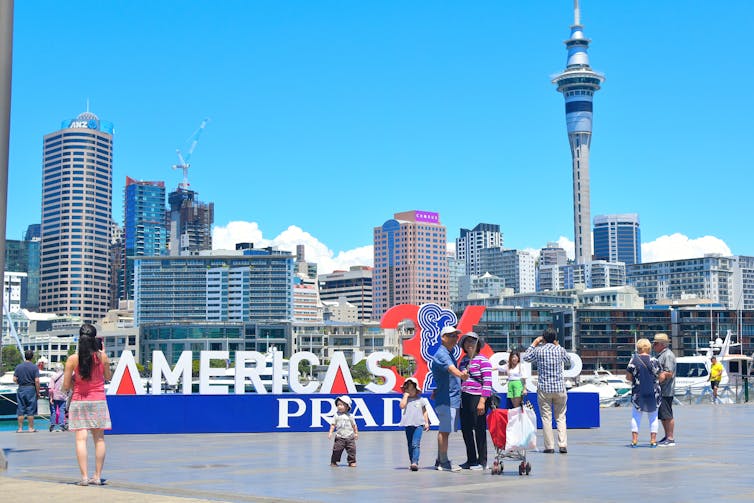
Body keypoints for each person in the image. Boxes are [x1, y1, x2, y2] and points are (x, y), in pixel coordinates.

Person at [63, 324, 112, 486]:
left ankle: (84, 477)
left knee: (80, 439)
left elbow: (65, 385)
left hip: (79, 401)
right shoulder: (102, 357)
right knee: (99, 439)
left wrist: (73, 385)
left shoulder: (72, 359)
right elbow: (108, 377)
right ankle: (97, 476)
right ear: (94, 339)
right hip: (98, 400)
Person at [523, 327, 570, 454]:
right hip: (559, 387)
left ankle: (549, 446)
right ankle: (563, 444)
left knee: (546, 418)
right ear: (555, 339)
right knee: (561, 417)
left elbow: (526, 357)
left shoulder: (539, 350)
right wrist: (558, 344)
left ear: (543, 338)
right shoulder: (560, 350)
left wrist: (534, 343)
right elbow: (568, 361)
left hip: (544, 388)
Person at [430, 325, 469, 472]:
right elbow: (451, 369)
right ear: (443, 338)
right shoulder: (442, 354)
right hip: (446, 399)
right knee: (444, 431)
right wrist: (462, 375)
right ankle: (443, 462)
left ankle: (440, 459)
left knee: (446, 430)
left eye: (456, 336)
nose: (455, 338)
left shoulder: (449, 353)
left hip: (450, 397)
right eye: (451, 336)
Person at [458, 331, 492, 470]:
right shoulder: (463, 361)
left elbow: (488, 382)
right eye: (467, 342)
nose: (469, 344)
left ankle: (482, 461)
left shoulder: (483, 360)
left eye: (472, 342)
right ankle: (471, 459)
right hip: (465, 397)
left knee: (479, 429)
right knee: (466, 429)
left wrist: (482, 401)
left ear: (477, 344)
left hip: (477, 397)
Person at [625, 339, 661, 447]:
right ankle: (653, 440)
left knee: (636, 416)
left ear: (638, 348)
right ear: (649, 348)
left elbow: (628, 377)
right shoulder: (654, 360)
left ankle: (635, 440)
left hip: (638, 391)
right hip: (653, 391)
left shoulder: (634, 361)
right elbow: (659, 375)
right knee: (653, 416)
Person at [399, 377, 430, 471]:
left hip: (418, 424)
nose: (410, 391)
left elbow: (424, 411)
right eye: (408, 389)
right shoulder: (406, 399)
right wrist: (405, 396)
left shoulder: (421, 400)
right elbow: (401, 406)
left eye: (412, 388)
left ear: (416, 389)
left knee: (415, 444)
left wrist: (426, 422)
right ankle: (411, 461)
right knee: (409, 444)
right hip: (408, 424)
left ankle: (415, 462)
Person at [653, 333, 676, 447]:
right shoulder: (661, 355)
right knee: (663, 415)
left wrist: (657, 381)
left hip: (666, 390)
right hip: (661, 390)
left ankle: (670, 438)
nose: (653, 346)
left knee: (667, 415)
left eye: (655, 343)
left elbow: (668, 373)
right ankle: (667, 436)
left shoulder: (667, 355)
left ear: (662, 344)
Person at [13, 349, 40, 433]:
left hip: (21, 388)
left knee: (20, 408)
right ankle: (30, 428)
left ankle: (20, 428)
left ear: (25, 356)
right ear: (32, 357)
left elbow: (14, 379)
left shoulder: (18, 367)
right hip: (31, 389)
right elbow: (37, 380)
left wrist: (19, 382)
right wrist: (38, 392)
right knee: (30, 409)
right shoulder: (34, 367)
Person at [328, 395, 358, 467]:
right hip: (339, 437)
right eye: (338, 405)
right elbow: (333, 424)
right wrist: (330, 432)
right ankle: (334, 461)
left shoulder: (350, 416)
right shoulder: (336, 415)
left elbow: (354, 425)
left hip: (350, 436)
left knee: (352, 450)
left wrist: (356, 433)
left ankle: (351, 462)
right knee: (337, 450)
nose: (339, 407)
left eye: (341, 405)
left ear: (347, 407)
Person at [49, 363, 69, 432]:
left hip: (54, 396)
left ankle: (52, 425)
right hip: (63, 396)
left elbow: (51, 389)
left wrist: (51, 398)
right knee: (62, 411)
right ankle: (62, 425)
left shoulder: (53, 376)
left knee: (53, 411)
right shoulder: (65, 376)